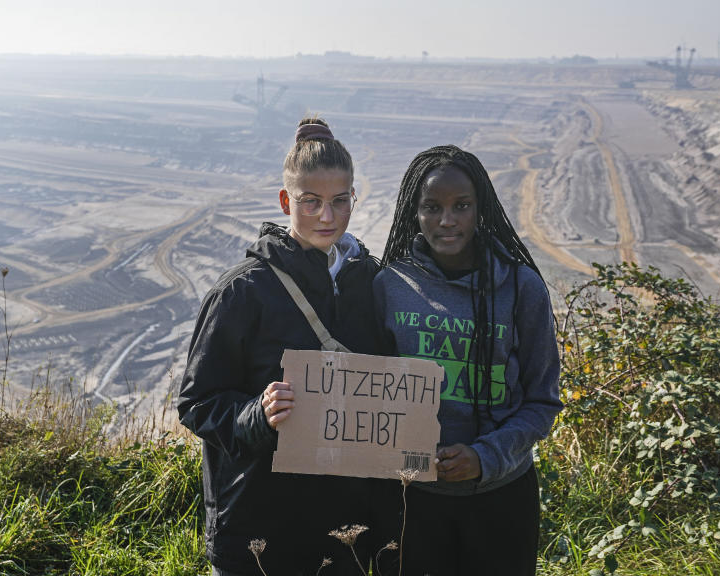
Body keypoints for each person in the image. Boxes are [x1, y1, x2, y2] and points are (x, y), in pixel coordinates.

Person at [178, 118, 387, 576]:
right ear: (285, 200)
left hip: (342, 535)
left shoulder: (371, 285)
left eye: (339, 202)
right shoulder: (242, 292)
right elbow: (196, 402)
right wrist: (258, 415)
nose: (326, 217)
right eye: (310, 202)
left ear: (354, 198)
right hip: (258, 532)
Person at [373, 144, 563, 576]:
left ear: (481, 209)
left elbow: (542, 401)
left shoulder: (521, 287)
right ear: (413, 212)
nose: (447, 220)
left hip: (502, 498)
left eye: (461, 206)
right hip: (411, 501)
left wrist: (485, 457)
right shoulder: (389, 285)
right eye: (432, 207)